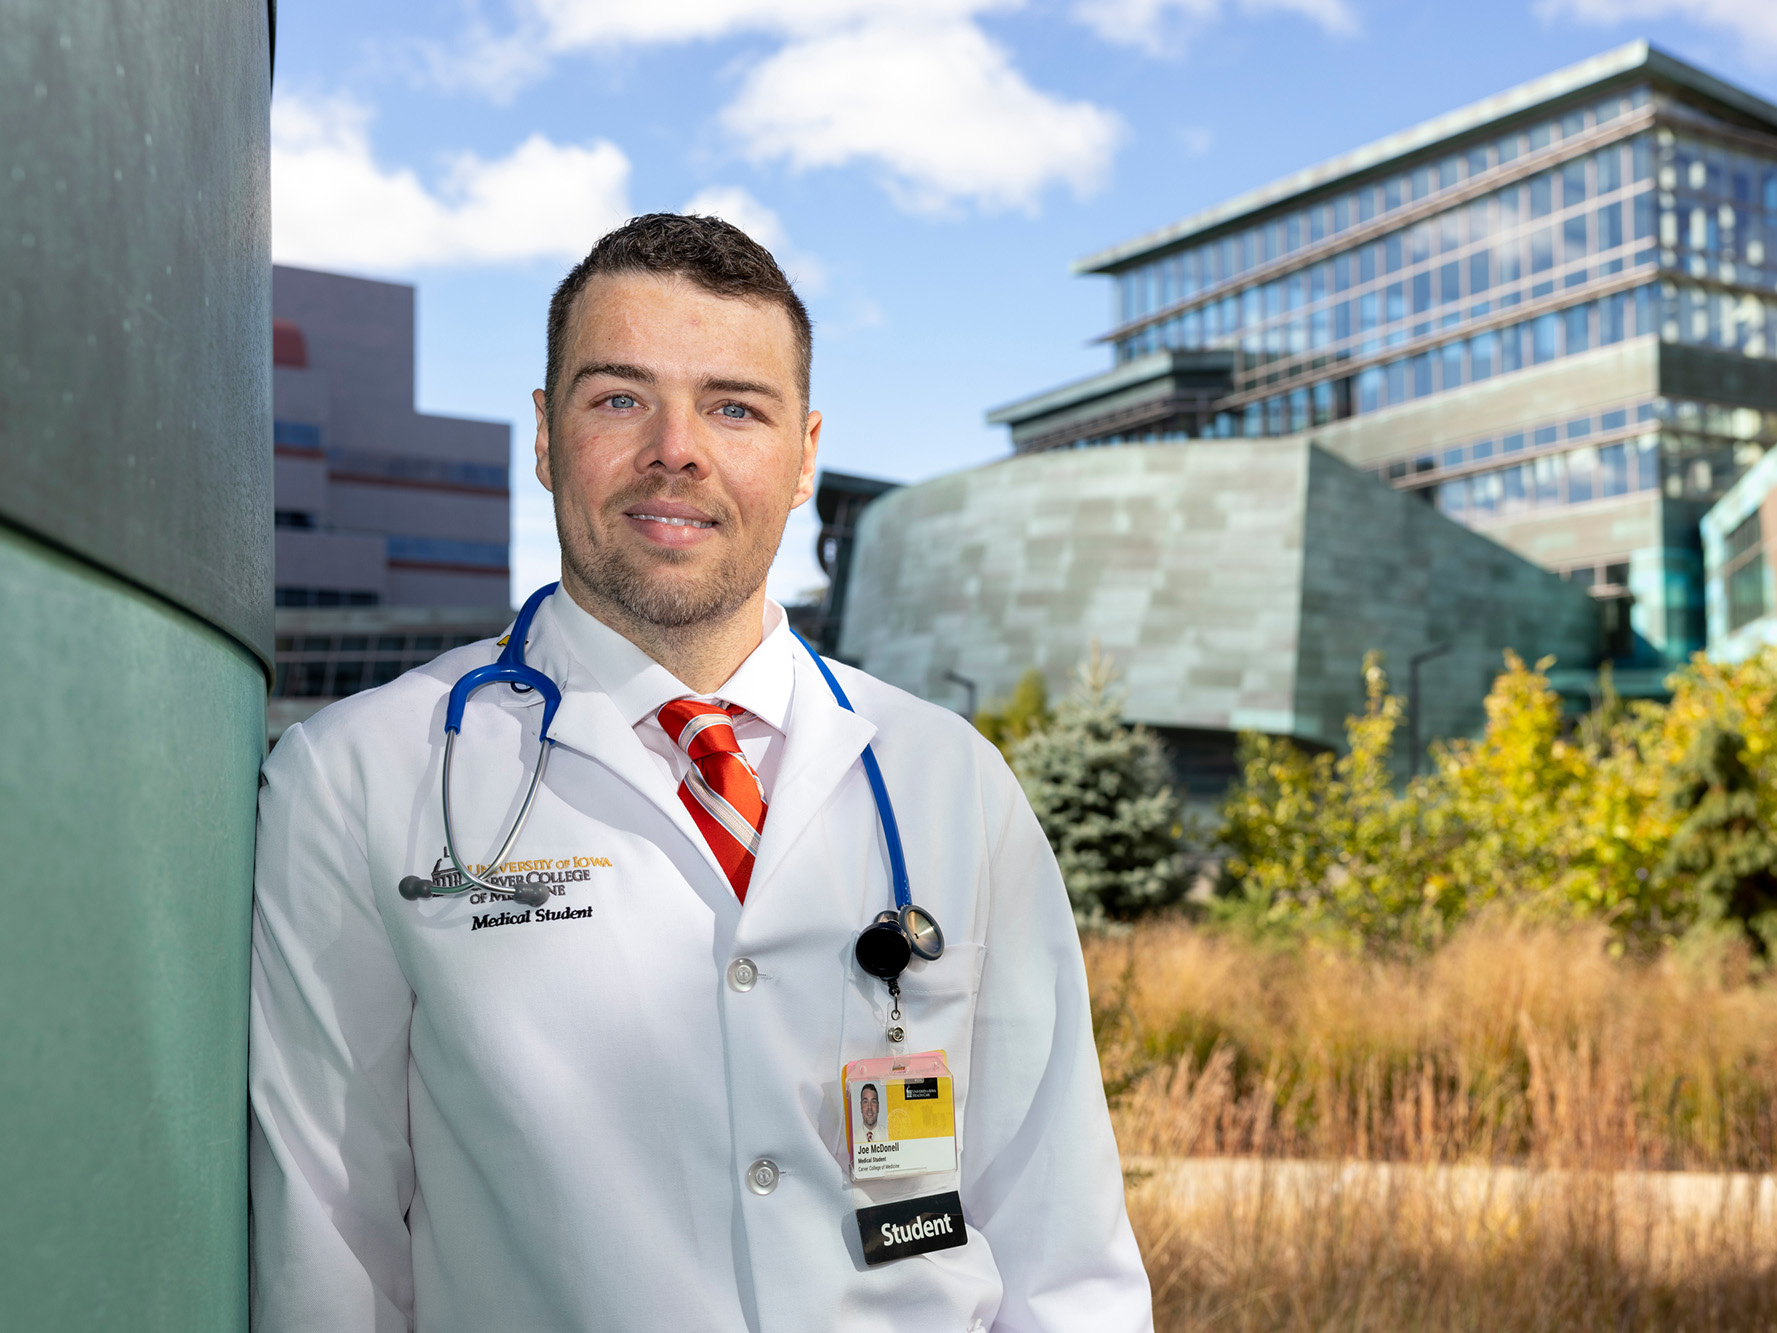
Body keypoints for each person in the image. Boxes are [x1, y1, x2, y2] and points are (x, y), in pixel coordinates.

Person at [248, 213, 1152, 1331]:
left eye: (734, 406)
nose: (676, 448)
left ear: (805, 453)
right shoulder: (358, 779)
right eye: (619, 397)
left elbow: (1061, 1249)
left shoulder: (949, 780)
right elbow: (326, 1253)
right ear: (543, 434)